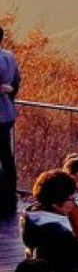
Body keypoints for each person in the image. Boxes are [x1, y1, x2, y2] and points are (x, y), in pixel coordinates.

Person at [0, 25, 21, 219]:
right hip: (5, 114)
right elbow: (16, 82)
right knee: (6, 157)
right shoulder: (9, 57)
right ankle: (9, 199)